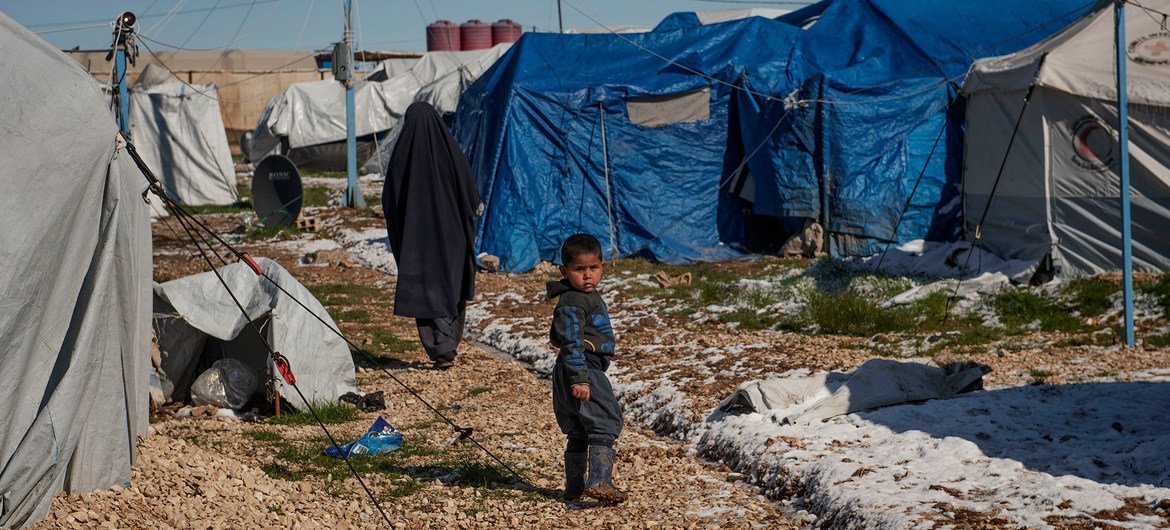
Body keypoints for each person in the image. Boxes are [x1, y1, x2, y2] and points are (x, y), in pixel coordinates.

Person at [382, 102, 482, 370]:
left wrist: (404, 228)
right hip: (453, 238)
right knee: (451, 285)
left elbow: (390, 200)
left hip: (419, 242)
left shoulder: (402, 154)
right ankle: (447, 342)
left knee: (427, 290)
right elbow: (468, 190)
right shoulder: (450, 151)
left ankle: (441, 348)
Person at [546, 233, 627, 504]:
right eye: (579, 270)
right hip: (583, 369)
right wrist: (580, 379)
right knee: (605, 421)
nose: (588, 275)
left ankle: (575, 487)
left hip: (574, 369)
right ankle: (600, 480)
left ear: (603, 266)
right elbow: (571, 341)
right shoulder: (573, 302)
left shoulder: (581, 297)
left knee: (580, 429)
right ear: (564, 271)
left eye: (593, 268)